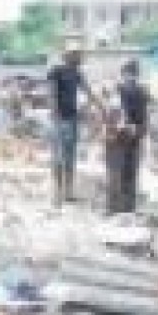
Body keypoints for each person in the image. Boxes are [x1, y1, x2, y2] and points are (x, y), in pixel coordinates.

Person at [46, 43, 102, 207]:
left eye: (80, 54)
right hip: (59, 120)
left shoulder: (77, 73)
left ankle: (68, 192)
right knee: (58, 156)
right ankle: (57, 191)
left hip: (72, 119)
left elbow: (88, 92)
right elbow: (51, 93)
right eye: (77, 55)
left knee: (70, 156)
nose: (80, 57)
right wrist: (54, 114)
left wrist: (101, 109)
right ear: (69, 56)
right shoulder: (56, 71)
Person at [104, 61, 151, 214]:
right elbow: (144, 117)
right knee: (126, 172)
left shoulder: (120, 90)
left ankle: (118, 208)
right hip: (126, 136)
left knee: (119, 172)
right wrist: (139, 131)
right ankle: (125, 207)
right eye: (130, 73)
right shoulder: (139, 92)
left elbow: (109, 113)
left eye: (131, 73)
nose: (130, 77)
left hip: (122, 136)